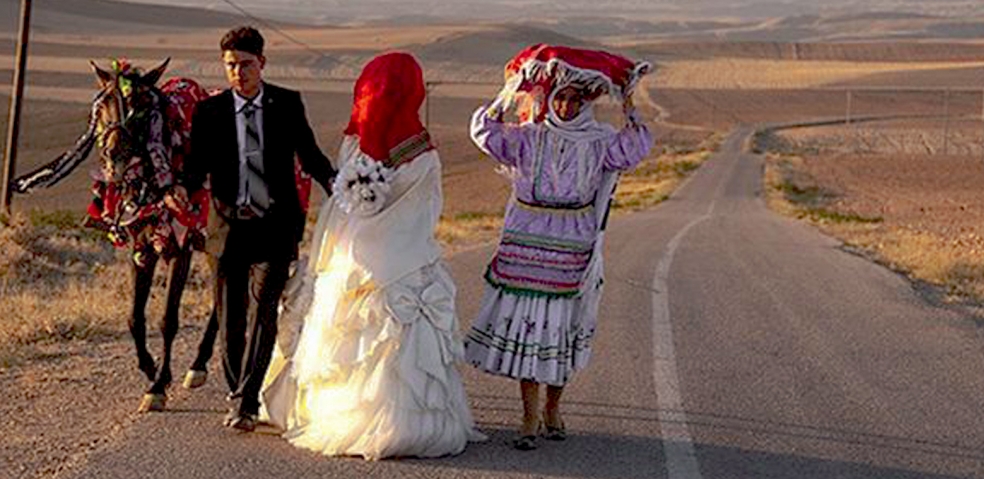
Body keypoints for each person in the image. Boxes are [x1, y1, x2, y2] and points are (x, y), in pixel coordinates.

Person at [259, 52, 483, 459]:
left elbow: (343, 201)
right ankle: (410, 422)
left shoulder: (355, 143)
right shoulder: (422, 152)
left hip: (353, 255)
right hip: (406, 258)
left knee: (353, 336)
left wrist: (357, 230)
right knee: (399, 338)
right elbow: (425, 209)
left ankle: (341, 414)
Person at [464, 45, 653, 450]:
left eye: (575, 99)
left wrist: (628, 103)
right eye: (560, 98)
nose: (566, 106)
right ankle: (528, 418)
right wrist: (509, 91)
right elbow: (484, 133)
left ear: (586, 103)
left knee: (561, 331)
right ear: (549, 100)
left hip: (572, 247)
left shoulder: (600, 142)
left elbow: (636, 146)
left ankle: (553, 409)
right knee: (528, 331)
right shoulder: (529, 137)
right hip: (526, 244)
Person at [172, 25, 335, 431]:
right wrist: (180, 188)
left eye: (245, 64)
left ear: (262, 63)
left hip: (275, 227)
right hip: (228, 231)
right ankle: (238, 393)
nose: (238, 73)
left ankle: (245, 404)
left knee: (264, 314)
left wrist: (339, 186)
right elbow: (196, 167)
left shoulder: (287, 104)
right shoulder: (209, 111)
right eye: (230, 65)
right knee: (231, 321)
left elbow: (310, 155)